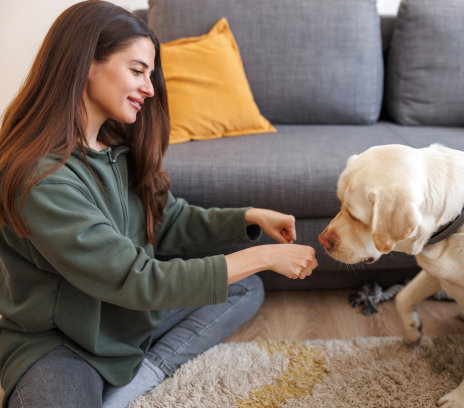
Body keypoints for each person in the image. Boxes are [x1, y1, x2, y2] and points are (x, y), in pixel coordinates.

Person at [0, 1, 318, 407]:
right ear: (86, 64)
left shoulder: (116, 148)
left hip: (128, 322)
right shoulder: (40, 178)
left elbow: (166, 218)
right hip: (63, 345)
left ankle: (138, 380)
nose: (150, 89)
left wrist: (248, 219)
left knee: (244, 288)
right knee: (243, 273)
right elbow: (138, 280)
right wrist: (263, 255)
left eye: (150, 75)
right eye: (137, 71)